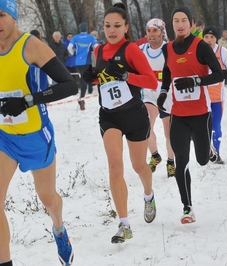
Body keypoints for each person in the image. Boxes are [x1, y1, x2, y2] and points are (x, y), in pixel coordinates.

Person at [0, 0, 78, 265]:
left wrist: (29, 100)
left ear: (14, 17)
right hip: (3, 137)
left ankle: (59, 229)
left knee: (48, 199)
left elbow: (69, 85)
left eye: (2, 15)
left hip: (36, 137)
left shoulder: (31, 46)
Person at [83, 2, 157, 244]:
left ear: (126, 27)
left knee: (139, 167)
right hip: (109, 116)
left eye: (117, 26)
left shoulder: (132, 50)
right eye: (107, 26)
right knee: (115, 167)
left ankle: (148, 195)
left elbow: (151, 82)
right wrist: (93, 78)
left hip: (135, 115)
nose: (111, 30)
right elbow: (105, 79)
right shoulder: (98, 51)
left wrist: (126, 75)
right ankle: (124, 224)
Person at [157, 7, 223, 224]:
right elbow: (167, 71)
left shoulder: (201, 46)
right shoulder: (167, 48)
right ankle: (187, 208)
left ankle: (209, 151)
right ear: (172, 24)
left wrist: (196, 81)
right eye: (175, 20)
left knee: (202, 161)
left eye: (184, 20)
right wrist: (164, 92)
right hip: (179, 115)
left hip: (201, 114)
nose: (180, 24)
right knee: (181, 161)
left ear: (192, 24)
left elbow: (221, 74)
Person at [139, 18, 175, 178]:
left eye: (155, 31)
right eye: (149, 31)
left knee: (168, 133)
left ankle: (171, 162)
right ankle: (155, 155)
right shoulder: (141, 49)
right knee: (145, 127)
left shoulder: (169, 48)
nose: (151, 34)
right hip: (149, 92)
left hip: (167, 93)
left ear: (162, 32)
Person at [202, 25, 227, 164]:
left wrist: (226, 73)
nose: (209, 40)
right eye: (206, 37)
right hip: (201, 97)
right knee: (203, 128)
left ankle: (216, 154)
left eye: (212, 37)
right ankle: (206, 153)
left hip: (217, 97)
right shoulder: (198, 51)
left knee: (216, 126)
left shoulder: (222, 52)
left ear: (216, 39)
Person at [67, 22, 98, 110]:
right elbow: (97, 46)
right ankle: (81, 99)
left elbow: (69, 48)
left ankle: (81, 98)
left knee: (82, 78)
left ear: (79, 29)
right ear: (87, 29)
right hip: (87, 61)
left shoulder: (75, 37)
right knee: (84, 80)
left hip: (78, 62)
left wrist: (73, 53)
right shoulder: (90, 37)